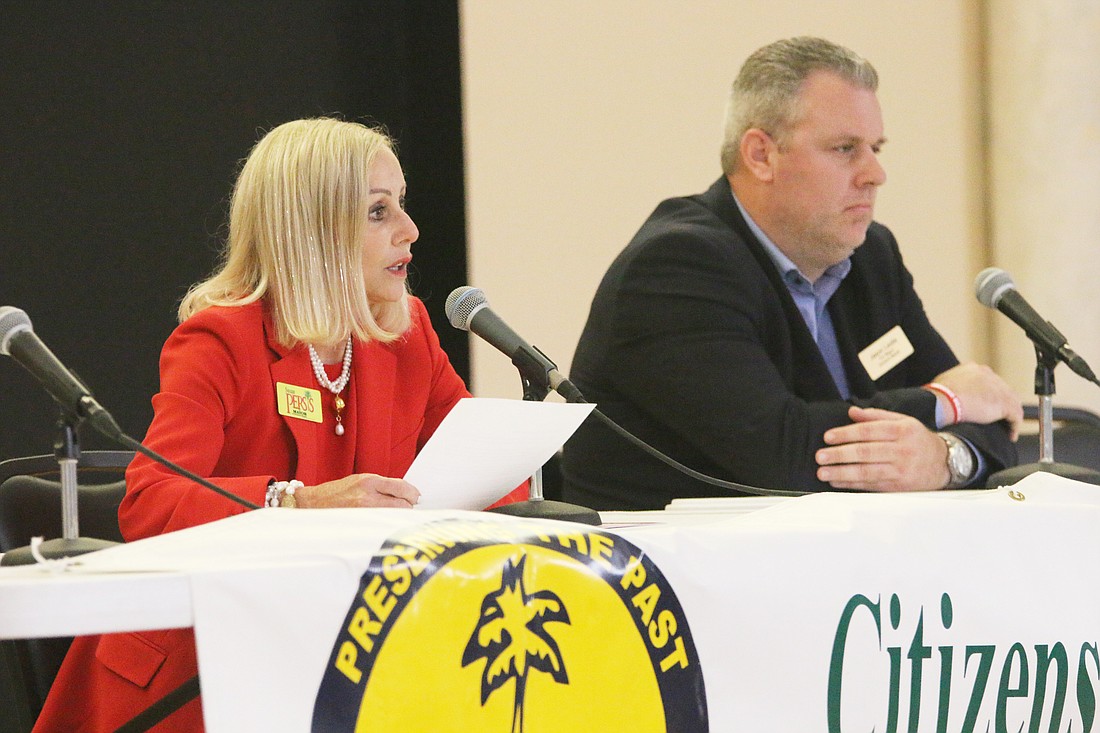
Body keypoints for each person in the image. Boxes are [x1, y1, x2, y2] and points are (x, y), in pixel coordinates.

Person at [34, 118, 523, 732]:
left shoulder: (405, 333)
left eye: (401, 205)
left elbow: (483, 469)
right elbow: (150, 502)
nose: (410, 230)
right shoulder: (220, 339)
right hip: (194, 674)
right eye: (378, 212)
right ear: (312, 230)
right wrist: (296, 502)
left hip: (331, 656)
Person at [561, 37, 1022, 511]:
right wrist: (943, 403)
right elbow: (783, 453)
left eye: (876, 147)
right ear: (761, 155)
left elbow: (997, 423)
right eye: (845, 149)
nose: (874, 173)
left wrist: (944, 458)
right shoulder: (676, 267)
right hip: (674, 571)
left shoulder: (871, 258)